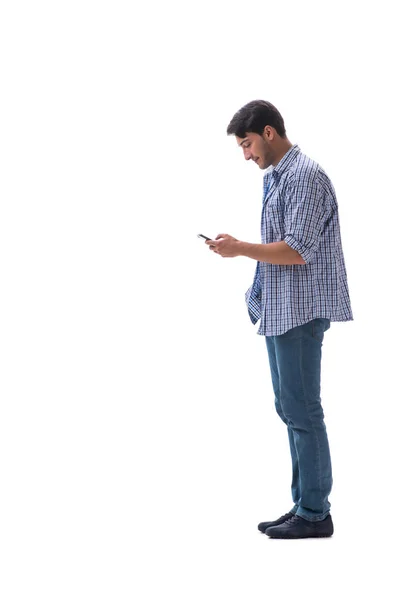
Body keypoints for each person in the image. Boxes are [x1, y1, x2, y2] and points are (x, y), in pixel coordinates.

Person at [205, 100, 353, 539]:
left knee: (303, 409)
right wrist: (242, 250)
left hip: (301, 310)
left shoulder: (304, 176)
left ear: (269, 133)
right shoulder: (278, 177)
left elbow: (297, 249)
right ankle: (305, 504)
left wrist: (240, 248)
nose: (246, 154)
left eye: (247, 143)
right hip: (281, 307)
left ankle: (315, 513)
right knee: (290, 407)